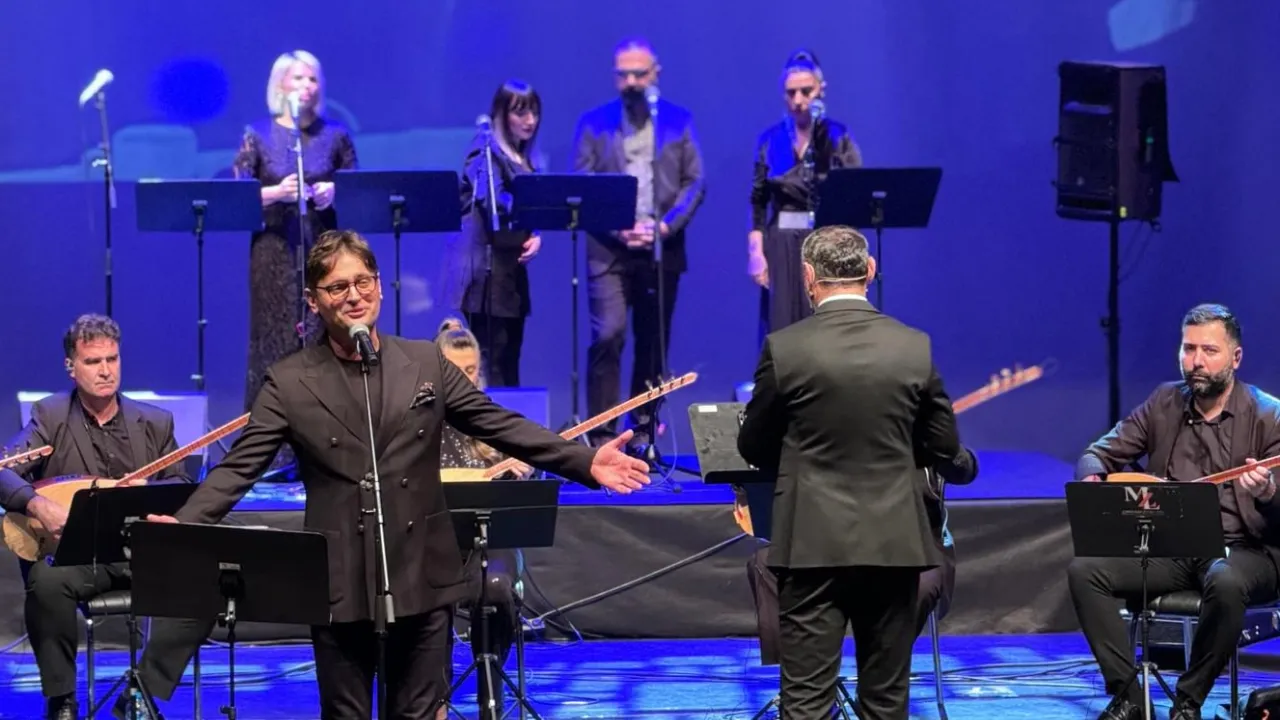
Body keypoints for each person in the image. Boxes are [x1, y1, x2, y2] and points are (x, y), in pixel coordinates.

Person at [146, 230, 650, 720]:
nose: (354, 296)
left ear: (380, 288)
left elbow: (499, 424)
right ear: (313, 301)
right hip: (339, 582)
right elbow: (240, 466)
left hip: (422, 574)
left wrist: (584, 461)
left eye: (363, 281)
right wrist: (185, 524)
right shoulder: (290, 382)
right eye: (337, 287)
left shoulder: (425, 361)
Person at [737, 225, 964, 720]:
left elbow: (752, 445)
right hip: (894, 544)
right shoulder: (913, 346)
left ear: (807, 276)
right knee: (885, 700)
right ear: (870, 271)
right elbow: (943, 446)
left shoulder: (786, 348)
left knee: (806, 700)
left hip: (811, 544)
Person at [1068, 304, 1280, 720]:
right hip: (1173, 546)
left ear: (1235, 357)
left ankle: (1188, 701)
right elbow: (1097, 453)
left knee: (1226, 580)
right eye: (1188, 349)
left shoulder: (1269, 415)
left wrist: (1268, 490)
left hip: (1245, 550)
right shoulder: (1164, 402)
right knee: (1085, 571)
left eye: (1209, 351)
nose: (1196, 361)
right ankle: (1129, 696)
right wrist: (1094, 482)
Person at [0, 315, 208, 720]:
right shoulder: (50, 416)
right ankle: (62, 700)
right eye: (93, 361)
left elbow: (180, 484)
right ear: (71, 366)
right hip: (80, 556)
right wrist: (36, 504)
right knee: (45, 583)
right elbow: (3, 471)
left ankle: (141, 692)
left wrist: (153, 496)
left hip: (143, 550)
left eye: (112, 359)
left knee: (207, 582)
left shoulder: (155, 422)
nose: (105, 370)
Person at [573, 37, 706, 454]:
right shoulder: (593, 122)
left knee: (653, 342)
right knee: (608, 334)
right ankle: (601, 434)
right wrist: (618, 227)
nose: (631, 81)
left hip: (660, 248)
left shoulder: (678, 121)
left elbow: (695, 182)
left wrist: (664, 227)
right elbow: (582, 184)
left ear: (656, 74)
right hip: (608, 249)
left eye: (639, 73)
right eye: (623, 74)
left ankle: (642, 431)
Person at [743, 451, 978, 672]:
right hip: (839, 544)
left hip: (914, 547)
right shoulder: (826, 431)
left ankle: (881, 678)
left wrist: (937, 441)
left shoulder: (921, 429)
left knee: (918, 585)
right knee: (767, 562)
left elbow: (964, 469)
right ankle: (804, 678)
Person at [233, 50, 359, 414]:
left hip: (324, 251)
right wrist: (276, 193)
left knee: (323, 334)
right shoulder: (257, 135)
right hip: (273, 252)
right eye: (299, 78)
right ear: (280, 85)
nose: (307, 86)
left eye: (313, 79)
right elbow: (237, 196)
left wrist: (334, 191)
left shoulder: (336, 135)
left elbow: (359, 190)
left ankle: (325, 427)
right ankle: (269, 432)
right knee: (273, 338)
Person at [434, 318, 531, 718]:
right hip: (431, 544)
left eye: (472, 370)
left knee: (495, 586)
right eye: (456, 371)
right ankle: (434, 697)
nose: (466, 379)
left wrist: (523, 471)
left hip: (487, 542)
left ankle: (490, 693)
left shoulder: (492, 419)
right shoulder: (418, 423)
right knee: (424, 592)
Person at [748, 50, 862, 339]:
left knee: (826, 328)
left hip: (826, 242)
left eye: (806, 91)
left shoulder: (838, 137)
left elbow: (854, 191)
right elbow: (758, 201)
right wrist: (756, 253)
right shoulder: (770, 140)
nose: (798, 100)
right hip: (782, 241)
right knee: (783, 329)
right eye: (791, 93)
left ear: (821, 90)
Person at [442, 80, 543, 387]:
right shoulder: (484, 149)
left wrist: (536, 232)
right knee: (489, 361)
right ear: (501, 114)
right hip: (484, 275)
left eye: (534, 112)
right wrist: (532, 211)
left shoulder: (524, 157)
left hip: (510, 275)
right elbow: (492, 200)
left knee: (509, 360)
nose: (530, 120)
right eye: (520, 112)